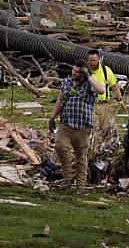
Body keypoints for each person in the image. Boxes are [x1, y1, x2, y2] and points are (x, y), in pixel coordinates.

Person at [48, 61, 105, 194]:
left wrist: (89, 76)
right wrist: (52, 117)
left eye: (78, 72)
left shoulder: (89, 85)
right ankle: (68, 177)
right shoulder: (66, 82)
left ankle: (81, 187)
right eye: (73, 71)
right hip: (66, 124)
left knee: (81, 156)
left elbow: (101, 90)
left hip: (82, 126)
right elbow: (60, 100)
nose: (74, 73)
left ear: (83, 73)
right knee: (59, 146)